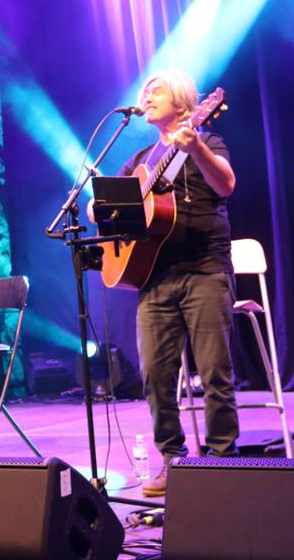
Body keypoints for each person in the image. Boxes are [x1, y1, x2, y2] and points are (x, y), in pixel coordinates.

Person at [95, 69, 239, 497]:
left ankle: (223, 459)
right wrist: (96, 207)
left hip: (204, 269)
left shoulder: (206, 140)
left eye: (156, 91)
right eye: (144, 91)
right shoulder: (140, 159)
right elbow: (108, 210)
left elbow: (226, 185)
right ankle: (172, 460)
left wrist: (195, 150)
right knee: (156, 375)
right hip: (153, 276)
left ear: (183, 102)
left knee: (215, 371)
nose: (146, 96)